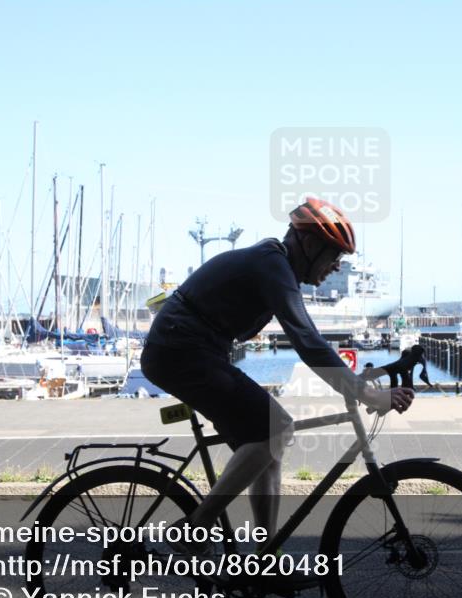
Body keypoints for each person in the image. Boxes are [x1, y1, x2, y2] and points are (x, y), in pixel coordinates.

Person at [141, 198, 414, 556]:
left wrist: (358, 383)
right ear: (310, 244)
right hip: (179, 351)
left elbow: (310, 340)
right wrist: (366, 393)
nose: (336, 266)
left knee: (269, 443)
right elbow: (308, 342)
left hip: (190, 351)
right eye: (334, 256)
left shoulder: (274, 265)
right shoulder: (271, 265)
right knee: (277, 428)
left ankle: (266, 555)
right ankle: (195, 530)